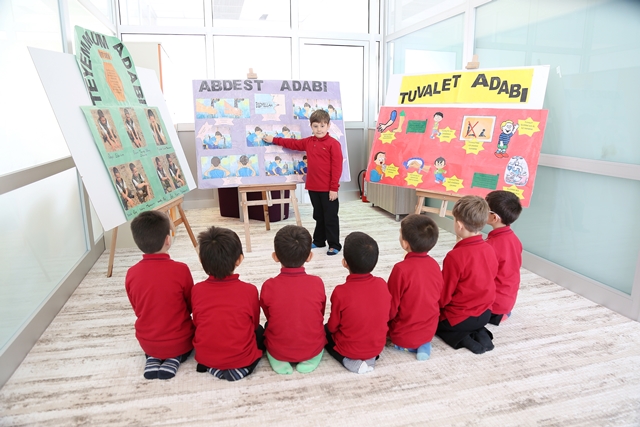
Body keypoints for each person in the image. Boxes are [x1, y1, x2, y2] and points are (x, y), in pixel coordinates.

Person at [125, 211, 195, 380]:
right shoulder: (181, 270)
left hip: (147, 343)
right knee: (188, 334)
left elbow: (137, 308)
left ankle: (154, 356)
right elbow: (191, 305)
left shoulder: (132, 273)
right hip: (181, 341)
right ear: (168, 240)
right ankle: (174, 357)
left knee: (155, 344)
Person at [263, 109, 343, 256]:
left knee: (330, 217)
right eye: (315, 126)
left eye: (322, 126)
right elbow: (292, 143)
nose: (319, 129)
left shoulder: (334, 144)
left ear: (328, 125)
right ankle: (319, 240)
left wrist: (334, 188)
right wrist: (273, 139)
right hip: (313, 187)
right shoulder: (308, 142)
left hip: (328, 189)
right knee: (318, 216)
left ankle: (334, 244)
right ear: (311, 126)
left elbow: (337, 167)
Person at [192, 226, 264, 381]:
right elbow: (253, 325)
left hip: (205, 357)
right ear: (239, 259)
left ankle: (212, 367)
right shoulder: (249, 290)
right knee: (260, 332)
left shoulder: (196, 290)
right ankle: (241, 369)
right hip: (241, 357)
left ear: (201, 260)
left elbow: (198, 322)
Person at [260, 225, 327, 375]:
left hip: (278, 348)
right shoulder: (317, 283)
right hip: (312, 346)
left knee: (267, 327)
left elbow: (269, 315)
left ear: (275, 257)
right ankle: (311, 358)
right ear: (309, 256)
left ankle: (279, 358)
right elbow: (320, 313)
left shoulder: (268, 285)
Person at [436, 195, 498, 355]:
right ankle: (481, 333)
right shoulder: (490, 249)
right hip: (485, 314)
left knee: (435, 324)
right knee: (470, 321)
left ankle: (463, 338)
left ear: (459, 225)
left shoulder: (454, 256)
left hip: (460, 318)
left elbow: (444, 295)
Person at [325, 232, 391, 374]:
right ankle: (370, 358)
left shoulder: (340, 292)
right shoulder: (382, 284)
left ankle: (347, 361)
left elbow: (333, 326)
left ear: (344, 263)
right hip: (377, 346)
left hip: (349, 349)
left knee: (325, 333)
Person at [388, 214, 443, 361]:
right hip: (429, 330)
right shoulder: (434, 265)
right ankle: (423, 345)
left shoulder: (400, 269)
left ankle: (407, 346)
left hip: (403, 334)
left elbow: (391, 308)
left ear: (405, 244)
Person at [485, 190, 523, 325]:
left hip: (494, 305)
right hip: (508, 301)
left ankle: (496, 315)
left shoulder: (491, 246)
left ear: (494, 218)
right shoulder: (515, 240)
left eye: (484, 209)